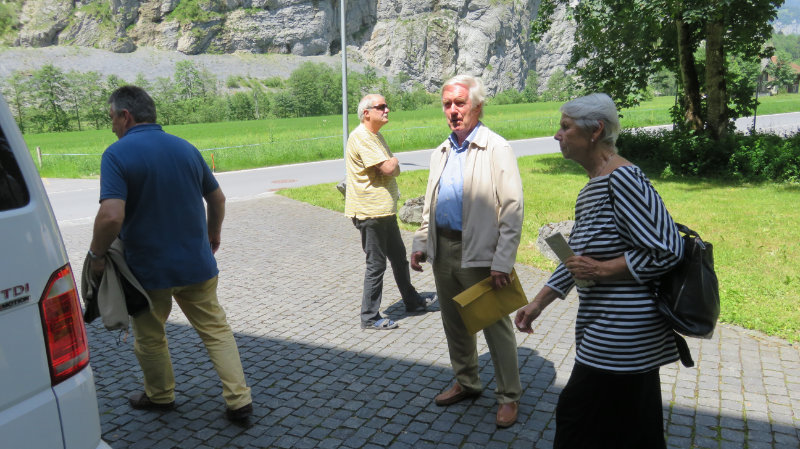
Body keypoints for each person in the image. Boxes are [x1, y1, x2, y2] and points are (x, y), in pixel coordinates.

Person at [514, 93, 684, 448]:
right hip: (604, 331)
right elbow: (577, 260)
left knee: (577, 421)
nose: (557, 135)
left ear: (595, 131)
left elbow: (668, 248)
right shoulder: (593, 187)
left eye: (565, 127)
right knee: (631, 428)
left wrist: (603, 269)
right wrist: (538, 303)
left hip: (624, 336)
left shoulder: (623, 179)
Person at [88, 86, 253, 425]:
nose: (112, 126)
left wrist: (96, 254)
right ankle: (240, 401)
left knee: (150, 336)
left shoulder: (116, 154)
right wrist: (213, 234)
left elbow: (111, 216)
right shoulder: (185, 148)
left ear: (125, 116)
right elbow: (218, 199)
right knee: (217, 331)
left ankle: (161, 396)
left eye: (112, 118)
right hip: (198, 264)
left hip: (148, 273)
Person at [410, 75, 524, 428]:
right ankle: (467, 381)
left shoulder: (496, 148)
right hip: (443, 248)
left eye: (460, 103)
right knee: (455, 323)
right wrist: (421, 243)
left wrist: (502, 261)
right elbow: (430, 204)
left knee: (493, 324)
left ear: (477, 106)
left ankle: (508, 396)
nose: (453, 111)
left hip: (480, 252)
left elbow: (512, 208)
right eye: (447, 104)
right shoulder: (441, 152)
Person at [345, 94, 434, 330]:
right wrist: (393, 161)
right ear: (366, 113)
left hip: (383, 211)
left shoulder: (375, 136)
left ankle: (412, 301)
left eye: (386, 106)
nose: (387, 110)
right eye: (381, 107)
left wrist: (392, 165)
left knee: (399, 258)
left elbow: (393, 169)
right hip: (370, 213)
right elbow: (388, 167)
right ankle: (369, 317)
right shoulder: (362, 137)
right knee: (376, 265)